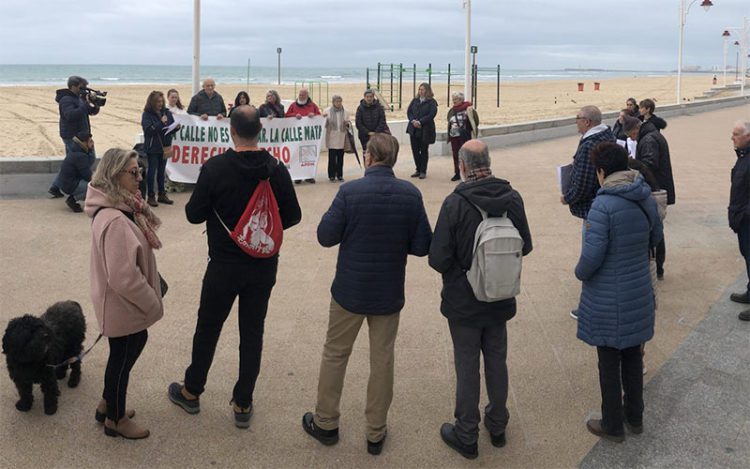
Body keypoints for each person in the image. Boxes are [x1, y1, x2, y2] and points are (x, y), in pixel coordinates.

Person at [168, 105, 301, 428]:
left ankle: (192, 390)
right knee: (252, 332)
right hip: (263, 264)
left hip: (224, 265)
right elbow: (293, 216)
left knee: (208, 328)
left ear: (231, 130)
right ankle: (243, 403)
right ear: (260, 131)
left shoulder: (215, 168)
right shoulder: (276, 169)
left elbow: (193, 214)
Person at [301, 133, 432, 456]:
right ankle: (376, 431)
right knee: (382, 359)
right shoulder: (410, 194)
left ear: (369, 157)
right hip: (387, 291)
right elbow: (422, 246)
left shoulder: (350, 191)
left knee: (335, 354)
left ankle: (326, 422)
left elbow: (325, 236)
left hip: (349, 289)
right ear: (394, 159)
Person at [428, 140, 532, 459]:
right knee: (497, 361)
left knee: (467, 364)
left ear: (462, 166)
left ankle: (466, 432)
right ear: (489, 161)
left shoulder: (455, 203)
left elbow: (438, 258)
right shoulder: (512, 198)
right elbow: (524, 245)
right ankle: (498, 425)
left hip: (464, 299)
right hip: (500, 296)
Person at [575, 142, 662, 443]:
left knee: (609, 360)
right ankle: (635, 416)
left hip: (608, 296)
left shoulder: (603, 205)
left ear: (601, 171)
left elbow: (592, 255)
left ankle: (612, 423)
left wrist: (579, 272)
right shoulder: (644, 196)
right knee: (633, 358)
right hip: (638, 288)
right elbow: (656, 237)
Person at [85, 148, 165, 440]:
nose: (140, 177)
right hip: (121, 302)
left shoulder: (119, 207)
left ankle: (108, 404)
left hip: (117, 301)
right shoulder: (116, 219)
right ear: (115, 175)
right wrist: (152, 302)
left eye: (140, 170)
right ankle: (115, 419)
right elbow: (123, 276)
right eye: (133, 172)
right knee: (121, 357)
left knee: (125, 350)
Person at [561, 106, 615, 319]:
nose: (576, 121)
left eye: (578, 118)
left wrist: (568, 197)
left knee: (592, 257)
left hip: (594, 209)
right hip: (606, 204)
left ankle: (589, 307)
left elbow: (583, 181)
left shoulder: (590, 145)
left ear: (588, 122)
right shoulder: (607, 135)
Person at [623, 115, 675, 280]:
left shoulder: (648, 140)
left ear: (636, 130)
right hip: (658, 186)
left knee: (655, 229)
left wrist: (632, 163)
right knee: (656, 228)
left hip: (654, 188)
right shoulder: (651, 134)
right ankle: (658, 266)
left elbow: (649, 164)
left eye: (631, 135)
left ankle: (657, 267)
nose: (631, 139)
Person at [49, 75, 100, 198]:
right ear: (73, 86)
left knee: (71, 162)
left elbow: (90, 112)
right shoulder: (66, 99)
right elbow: (70, 115)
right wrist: (84, 104)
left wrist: (95, 104)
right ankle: (67, 186)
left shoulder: (78, 98)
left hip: (81, 135)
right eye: (81, 87)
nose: (84, 90)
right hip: (72, 136)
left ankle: (56, 186)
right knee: (86, 159)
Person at [141, 90, 181, 207]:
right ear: (152, 102)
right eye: (158, 101)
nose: (160, 103)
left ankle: (162, 194)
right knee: (152, 171)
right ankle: (151, 196)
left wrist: (176, 128)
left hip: (165, 146)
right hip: (153, 147)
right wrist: (159, 122)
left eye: (162, 101)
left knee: (162, 171)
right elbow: (148, 131)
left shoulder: (166, 112)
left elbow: (170, 127)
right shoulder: (147, 114)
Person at [729, 121, 750, 321]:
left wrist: (744, 214)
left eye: (736, 134)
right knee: (747, 256)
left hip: (747, 219)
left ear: (748, 136)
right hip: (742, 219)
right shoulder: (743, 156)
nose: (732, 138)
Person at [286, 88, 321, 184]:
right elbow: (286, 115)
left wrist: (313, 115)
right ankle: (298, 176)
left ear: (307, 96)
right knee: (297, 156)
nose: (301, 96)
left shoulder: (312, 105)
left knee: (308, 157)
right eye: (300, 95)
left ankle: (309, 176)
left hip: (309, 137)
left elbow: (319, 115)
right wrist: (294, 115)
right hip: (297, 136)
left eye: (303, 95)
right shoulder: (293, 105)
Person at [58, 131, 96, 213]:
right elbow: (87, 175)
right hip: (69, 184)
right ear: (84, 143)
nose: (92, 143)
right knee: (93, 187)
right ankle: (72, 200)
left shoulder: (76, 150)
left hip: (66, 182)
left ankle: (75, 197)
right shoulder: (80, 156)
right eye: (90, 141)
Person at [406, 82, 438, 179]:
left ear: (427, 90)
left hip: (425, 129)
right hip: (413, 129)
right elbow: (409, 111)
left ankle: (423, 171)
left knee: (424, 150)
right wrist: (413, 121)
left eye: (423, 89)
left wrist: (420, 122)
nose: (421, 91)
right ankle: (418, 169)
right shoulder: (415, 100)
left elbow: (431, 114)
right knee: (415, 150)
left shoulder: (432, 102)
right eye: (419, 89)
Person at [447, 92, 479, 182]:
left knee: (465, 155)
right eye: (453, 99)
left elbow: (475, 121)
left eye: (456, 99)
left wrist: (470, 130)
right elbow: (449, 121)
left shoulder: (468, 109)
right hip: (454, 136)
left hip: (464, 136)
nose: (454, 101)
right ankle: (457, 173)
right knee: (455, 155)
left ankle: (468, 173)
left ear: (461, 100)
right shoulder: (452, 110)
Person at [323, 95, 351, 182]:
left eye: (340, 101)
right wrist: (323, 118)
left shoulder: (346, 111)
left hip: (341, 137)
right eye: (336, 101)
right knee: (332, 158)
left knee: (340, 158)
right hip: (331, 137)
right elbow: (324, 124)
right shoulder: (327, 111)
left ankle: (339, 175)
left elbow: (349, 123)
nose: (338, 103)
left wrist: (347, 124)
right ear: (333, 102)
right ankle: (331, 175)